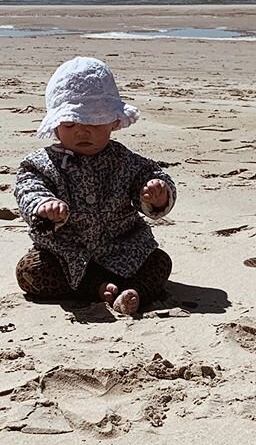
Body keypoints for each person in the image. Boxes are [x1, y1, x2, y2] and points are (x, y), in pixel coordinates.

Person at [14, 56, 176, 316]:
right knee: (29, 271)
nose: (82, 132)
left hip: (124, 250)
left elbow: (150, 176)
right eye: (70, 124)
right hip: (67, 254)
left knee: (159, 262)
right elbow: (28, 187)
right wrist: (43, 206)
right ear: (55, 125)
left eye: (93, 123)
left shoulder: (125, 160)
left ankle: (132, 292)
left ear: (113, 121)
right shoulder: (42, 163)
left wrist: (155, 194)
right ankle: (97, 288)